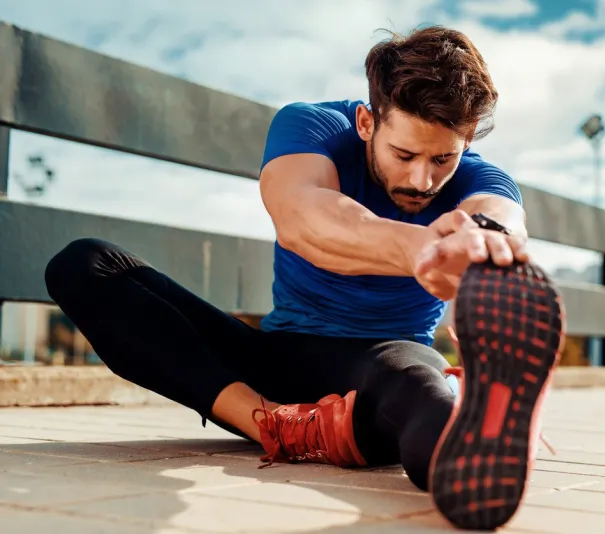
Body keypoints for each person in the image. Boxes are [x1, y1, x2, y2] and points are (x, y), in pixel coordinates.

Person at [43, 25, 565, 530]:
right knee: (85, 265)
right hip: (276, 360)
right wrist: (423, 247)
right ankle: (273, 425)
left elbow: (500, 221)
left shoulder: (484, 180)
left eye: (443, 159)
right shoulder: (310, 127)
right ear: (367, 122)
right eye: (403, 154)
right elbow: (302, 219)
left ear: (467, 141)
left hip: (385, 364)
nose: (421, 179)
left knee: (424, 397)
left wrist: (486, 245)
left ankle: (483, 443)